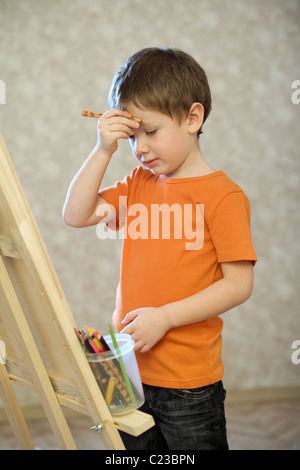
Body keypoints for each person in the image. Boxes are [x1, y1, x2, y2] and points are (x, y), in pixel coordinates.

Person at [63, 47, 257, 450]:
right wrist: (103, 150)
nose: (141, 148)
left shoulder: (224, 197)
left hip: (189, 385)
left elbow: (238, 285)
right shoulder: (137, 184)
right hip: (130, 371)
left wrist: (166, 317)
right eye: (132, 136)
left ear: (193, 118)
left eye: (150, 132)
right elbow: (76, 215)